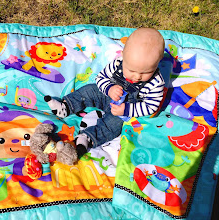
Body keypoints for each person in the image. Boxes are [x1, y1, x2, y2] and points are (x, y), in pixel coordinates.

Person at [44, 27, 165, 158]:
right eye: (131, 70)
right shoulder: (117, 63)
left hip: (122, 110)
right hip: (106, 95)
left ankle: (87, 138)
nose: (136, 77)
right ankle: (66, 106)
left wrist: (127, 109)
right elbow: (100, 78)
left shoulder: (156, 82)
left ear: (158, 63)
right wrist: (109, 88)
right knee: (90, 90)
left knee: (112, 126)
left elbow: (151, 106)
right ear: (123, 55)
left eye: (145, 72)